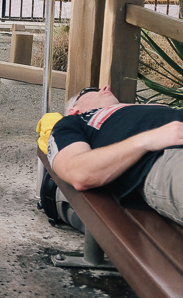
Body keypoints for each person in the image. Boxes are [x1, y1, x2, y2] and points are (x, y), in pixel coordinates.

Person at [47, 85, 183, 226]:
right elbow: (78, 172)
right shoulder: (73, 122)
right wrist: (148, 140)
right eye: (90, 90)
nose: (106, 87)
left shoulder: (146, 109)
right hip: (162, 159)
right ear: (74, 110)